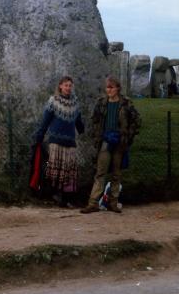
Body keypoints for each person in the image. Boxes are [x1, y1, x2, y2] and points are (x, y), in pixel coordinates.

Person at [81, 77, 141, 214]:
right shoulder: (101, 103)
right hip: (105, 140)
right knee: (100, 172)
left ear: (118, 88)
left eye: (112, 87)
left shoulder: (126, 103)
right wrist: (98, 135)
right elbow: (94, 121)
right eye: (107, 87)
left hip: (119, 141)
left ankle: (113, 203)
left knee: (116, 173)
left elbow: (136, 120)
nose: (109, 90)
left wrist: (127, 135)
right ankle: (93, 203)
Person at [35, 76, 84, 207]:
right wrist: (40, 135)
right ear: (60, 86)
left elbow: (78, 121)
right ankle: (56, 195)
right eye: (66, 85)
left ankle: (67, 198)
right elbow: (46, 120)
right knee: (56, 170)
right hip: (56, 141)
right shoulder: (53, 101)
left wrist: (81, 129)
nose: (68, 88)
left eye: (70, 85)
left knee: (69, 170)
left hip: (70, 142)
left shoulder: (75, 103)